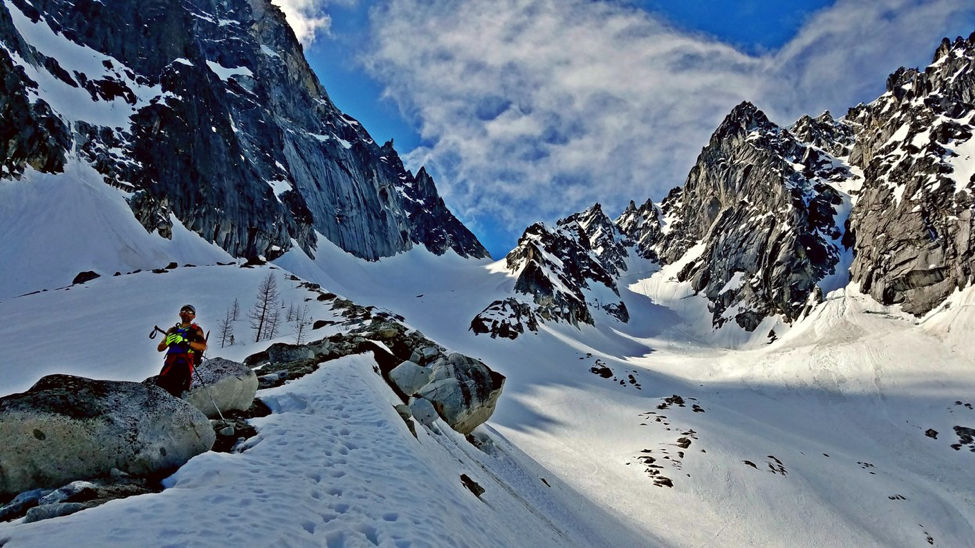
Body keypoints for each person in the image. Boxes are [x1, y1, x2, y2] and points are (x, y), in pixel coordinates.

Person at [156, 304, 207, 397]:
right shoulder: (172, 330)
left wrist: (186, 342)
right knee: (161, 388)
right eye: (184, 311)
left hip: (184, 363)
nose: (186, 313)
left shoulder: (196, 330)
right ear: (180, 314)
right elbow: (160, 348)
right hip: (170, 363)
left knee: (174, 389)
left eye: (190, 312)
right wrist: (167, 341)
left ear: (193, 316)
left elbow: (202, 346)